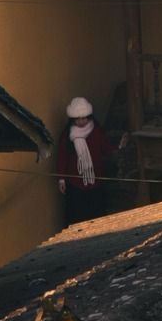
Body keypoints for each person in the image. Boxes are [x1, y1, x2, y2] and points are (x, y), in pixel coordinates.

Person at [56, 94, 115, 224]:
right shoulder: (68, 136)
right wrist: (61, 179)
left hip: (95, 180)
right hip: (75, 182)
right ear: (72, 119)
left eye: (84, 118)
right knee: (76, 214)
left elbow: (106, 148)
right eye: (78, 119)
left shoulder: (96, 132)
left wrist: (118, 149)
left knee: (95, 213)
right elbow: (62, 156)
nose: (81, 122)